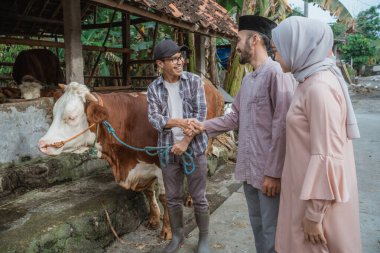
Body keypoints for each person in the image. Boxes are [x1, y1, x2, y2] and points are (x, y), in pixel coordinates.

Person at [191, 15, 296, 253]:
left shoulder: (277, 74)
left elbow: (283, 126)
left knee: (273, 234)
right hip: (248, 171)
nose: (236, 45)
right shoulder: (248, 80)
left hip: (269, 174)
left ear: (255, 40)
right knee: (259, 230)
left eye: (239, 39)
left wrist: (274, 173)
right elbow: (234, 118)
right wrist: (201, 126)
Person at [271, 16, 362, 253]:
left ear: (298, 46)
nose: (276, 56)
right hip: (305, 192)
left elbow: (328, 155)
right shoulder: (307, 82)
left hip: (316, 203)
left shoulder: (319, 88)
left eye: (277, 49)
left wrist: (314, 214)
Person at [147, 39, 210, 253]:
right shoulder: (154, 88)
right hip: (167, 150)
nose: (179, 62)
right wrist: (179, 122)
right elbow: (155, 119)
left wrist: (184, 141)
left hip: (194, 148)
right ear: (160, 64)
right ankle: (177, 237)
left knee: (199, 197)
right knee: (172, 198)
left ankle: (203, 239)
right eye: (173, 59)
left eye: (180, 57)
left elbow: (200, 115)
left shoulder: (194, 81)